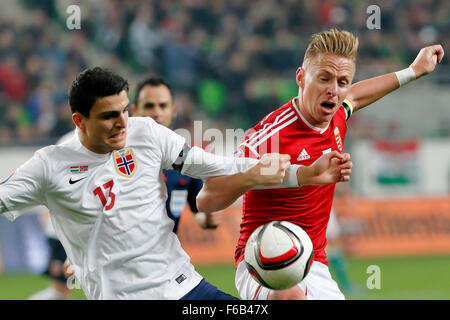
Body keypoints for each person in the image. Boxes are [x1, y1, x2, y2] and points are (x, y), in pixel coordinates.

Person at [0, 67, 353, 300]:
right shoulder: (50, 165)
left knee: (286, 299)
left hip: (186, 290)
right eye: (109, 116)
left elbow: (216, 165)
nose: (123, 123)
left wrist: (301, 172)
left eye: (125, 111)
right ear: (79, 120)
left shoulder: (146, 133)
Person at [196, 29, 444, 300]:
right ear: (301, 78)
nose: (333, 90)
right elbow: (206, 199)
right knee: (288, 296)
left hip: (313, 262)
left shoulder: (337, 114)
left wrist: (413, 70)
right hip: (264, 258)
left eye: (342, 81)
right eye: (324, 79)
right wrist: (257, 175)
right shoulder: (266, 138)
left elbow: (357, 96)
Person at [131, 76, 221, 232]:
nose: (156, 113)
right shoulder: (115, 155)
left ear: (173, 111)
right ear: (134, 111)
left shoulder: (184, 158)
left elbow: (197, 211)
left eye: (163, 106)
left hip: (165, 254)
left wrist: (207, 218)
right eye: (149, 106)